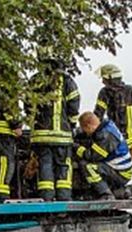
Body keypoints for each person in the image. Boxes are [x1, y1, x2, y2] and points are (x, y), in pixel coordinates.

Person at [28, 60, 80, 201]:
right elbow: (74, 106)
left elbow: (28, 105)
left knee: (45, 166)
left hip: (40, 135)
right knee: (63, 167)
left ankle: (46, 198)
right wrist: (72, 124)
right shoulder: (67, 82)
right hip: (62, 136)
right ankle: (64, 198)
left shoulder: (35, 80)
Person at [73, 112, 132, 200]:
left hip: (121, 173)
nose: (85, 133)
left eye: (84, 130)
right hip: (117, 169)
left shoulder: (106, 136)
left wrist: (76, 148)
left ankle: (106, 194)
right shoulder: (105, 127)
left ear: (89, 126)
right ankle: (122, 191)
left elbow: (92, 156)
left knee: (89, 167)